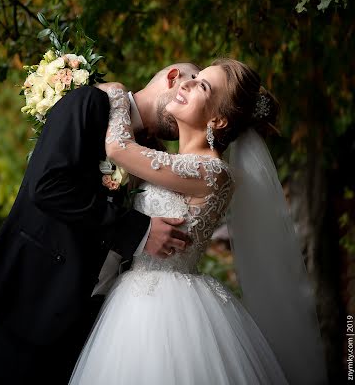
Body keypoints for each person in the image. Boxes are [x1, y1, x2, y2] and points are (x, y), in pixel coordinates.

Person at [69, 58, 328, 385]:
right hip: (133, 297)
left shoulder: (214, 173)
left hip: (165, 311)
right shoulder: (173, 160)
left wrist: (118, 93)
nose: (186, 83)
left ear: (218, 119)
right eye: (193, 79)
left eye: (201, 85)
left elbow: (119, 148)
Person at [0, 62, 201, 385]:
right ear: (173, 77)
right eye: (192, 85)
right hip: (39, 296)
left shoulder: (150, 154)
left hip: (100, 318)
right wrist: (140, 231)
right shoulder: (90, 103)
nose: (193, 102)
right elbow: (48, 186)